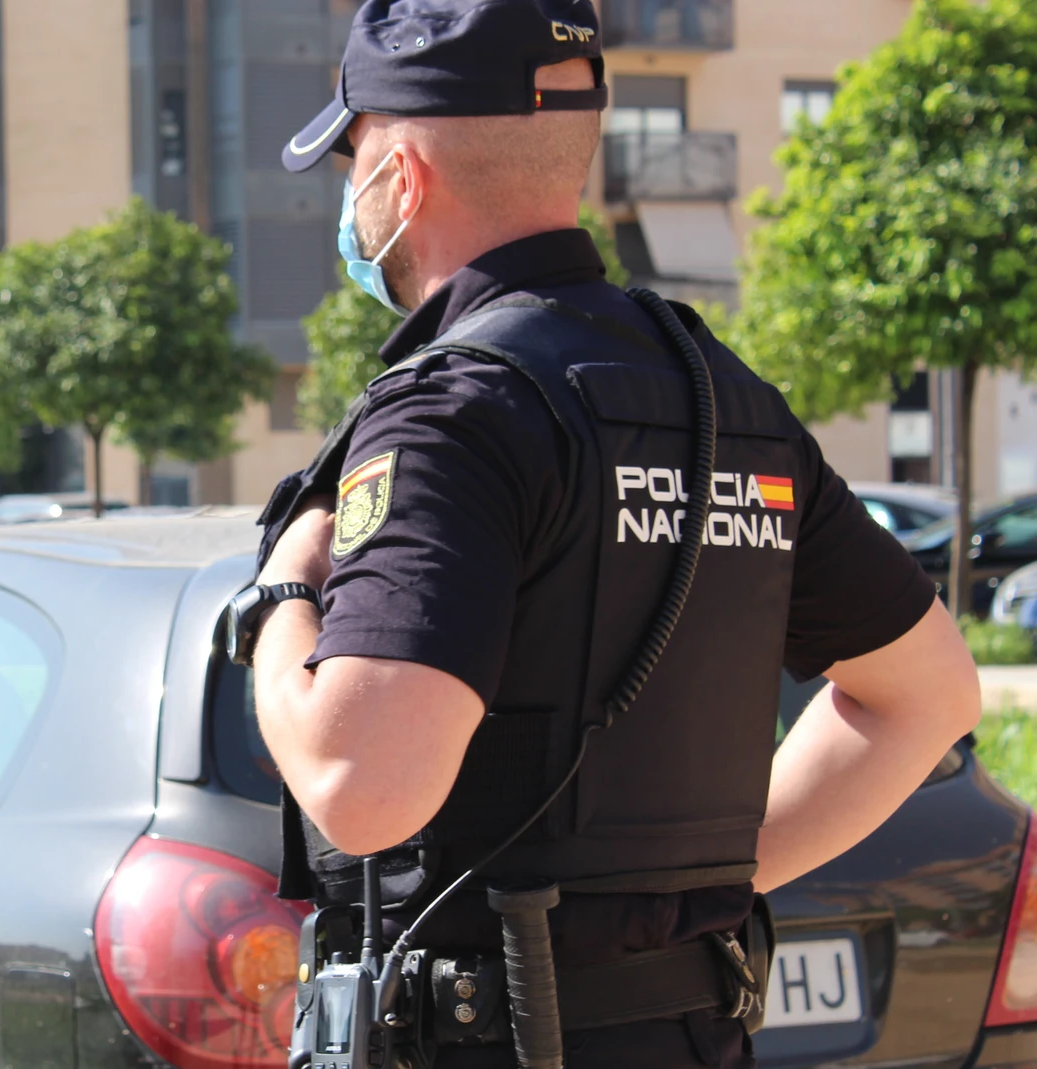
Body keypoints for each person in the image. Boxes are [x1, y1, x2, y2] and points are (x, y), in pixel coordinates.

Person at [233, 2, 981, 1067]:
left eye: (351, 162)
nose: (350, 199)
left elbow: (363, 787)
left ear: (399, 175)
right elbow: (929, 696)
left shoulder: (453, 413)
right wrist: (679, 903)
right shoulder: (725, 400)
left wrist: (277, 599)